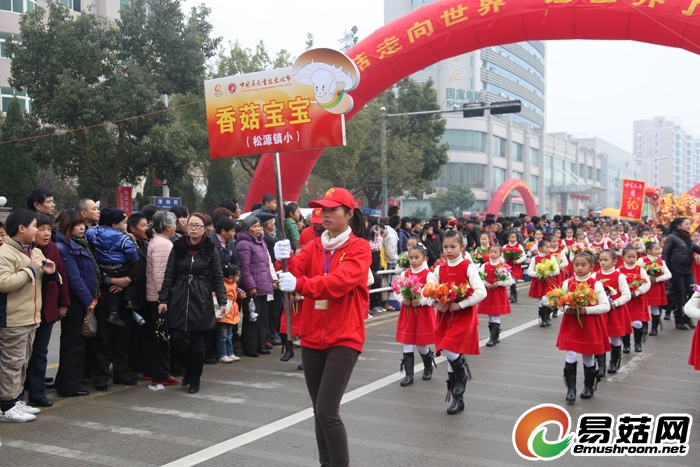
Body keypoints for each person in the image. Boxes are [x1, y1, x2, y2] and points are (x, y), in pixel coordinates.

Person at [274, 187, 370, 467]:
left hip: (344, 338)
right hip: (312, 337)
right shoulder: (314, 246)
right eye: (323, 209)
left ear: (349, 214)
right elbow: (294, 271)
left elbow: (339, 282)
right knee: (318, 411)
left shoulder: (359, 248)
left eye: (332, 209)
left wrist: (300, 284)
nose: (325, 214)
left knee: (327, 411)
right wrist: (283, 257)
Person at [158, 213, 227, 394]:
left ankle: (195, 377)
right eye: (191, 225)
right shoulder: (178, 246)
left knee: (197, 340)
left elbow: (218, 276)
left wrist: (222, 300)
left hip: (201, 295)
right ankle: (189, 368)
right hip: (179, 294)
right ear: (186, 227)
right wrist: (163, 299)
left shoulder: (210, 249)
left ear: (204, 229)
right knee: (176, 338)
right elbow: (169, 274)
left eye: (198, 225)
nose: (194, 228)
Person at [0, 209, 57, 422]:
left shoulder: (34, 251)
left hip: (30, 317)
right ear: (21, 228)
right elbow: (4, 283)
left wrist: (51, 273)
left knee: (23, 362)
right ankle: (6, 406)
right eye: (35, 226)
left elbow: (45, 278)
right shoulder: (5, 253)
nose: (38, 231)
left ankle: (15, 400)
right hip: (12, 319)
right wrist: (30, 270)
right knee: (11, 363)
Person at [425, 230, 487, 415]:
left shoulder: (468, 266)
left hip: (463, 316)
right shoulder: (439, 268)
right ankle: (457, 399)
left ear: (462, 247)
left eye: (453, 247)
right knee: (449, 353)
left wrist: (460, 304)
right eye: (445, 247)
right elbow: (426, 290)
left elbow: (481, 292)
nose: (449, 250)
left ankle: (461, 377)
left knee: (449, 347)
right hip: (445, 316)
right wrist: (435, 303)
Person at [24, 214, 69, 408]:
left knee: (40, 352)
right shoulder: (24, 252)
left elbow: (62, 277)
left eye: (48, 229)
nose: (46, 233)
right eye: (40, 228)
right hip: (26, 311)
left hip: (46, 309)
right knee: (21, 355)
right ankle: (17, 395)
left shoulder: (53, 249)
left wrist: (62, 304)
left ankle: (37, 393)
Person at [54, 210, 99, 398]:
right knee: (73, 344)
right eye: (77, 225)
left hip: (84, 299)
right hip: (75, 301)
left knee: (77, 343)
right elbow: (74, 279)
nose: (82, 228)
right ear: (67, 226)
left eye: (82, 224)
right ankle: (69, 385)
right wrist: (89, 302)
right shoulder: (63, 248)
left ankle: (68, 382)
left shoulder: (81, 243)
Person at [557, 252, 610, 403]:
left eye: (583, 265)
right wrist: (566, 309)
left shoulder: (596, 284)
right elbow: (560, 303)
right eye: (576, 265)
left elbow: (605, 306)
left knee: (588, 356)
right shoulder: (567, 283)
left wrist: (586, 310)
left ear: (591, 267)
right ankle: (571, 389)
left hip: (589, 324)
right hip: (571, 323)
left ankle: (589, 386)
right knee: (571, 353)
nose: (579, 268)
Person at [85, 206, 140, 327]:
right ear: (114, 225)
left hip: (105, 270)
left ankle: (113, 313)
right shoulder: (125, 238)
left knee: (111, 294)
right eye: (124, 223)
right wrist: (125, 279)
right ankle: (130, 300)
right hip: (120, 270)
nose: (126, 225)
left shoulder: (92, 233)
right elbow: (134, 259)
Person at [145, 211, 180, 386]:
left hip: (158, 297)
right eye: (174, 224)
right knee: (161, 336)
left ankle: (156, 371)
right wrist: (163, 299)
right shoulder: (162, 245)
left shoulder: (160, 241)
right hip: (160, 299)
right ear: (167, 227)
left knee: (158, 336)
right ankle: (160, 373)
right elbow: (161, 276)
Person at [395, 245, 437, 386]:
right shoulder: (404, 274)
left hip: (422, 313)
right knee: (407, 343)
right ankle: (409, 375)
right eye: (411, 258)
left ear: (425, 258)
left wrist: (419, 301)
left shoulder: (429, 275)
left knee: (421, 345)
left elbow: (431, 292)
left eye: (417, 257)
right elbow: (397, 290)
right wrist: (403, 299)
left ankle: (428, 366)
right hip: (408, 312)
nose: (413, 260)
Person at [236, 215, 276, 357]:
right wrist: (251, 286)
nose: (258, 229)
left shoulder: (262, 242)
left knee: (262, 318)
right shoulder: (243, 244)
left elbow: (266, 266)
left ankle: (260, 345)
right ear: (246, 229)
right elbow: (245, 269)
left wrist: (271, 281)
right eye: (254, 226)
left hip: (264, 286)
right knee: (252, 318)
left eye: (259, 226)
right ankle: (250, 347)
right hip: (252, 288)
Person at [593, 249, 631, 377]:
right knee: (600, 337)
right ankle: (601, 365)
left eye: (606, 260)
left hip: (615, 311)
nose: (602, 262)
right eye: (601, 260)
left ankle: (614, 362)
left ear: (614, 261)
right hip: (601, 312)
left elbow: (626, 294)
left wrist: (615, 303)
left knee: (615, 337)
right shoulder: (595, 276)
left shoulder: (619, 276)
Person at [663, 218, 700, 330]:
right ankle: (679, 319)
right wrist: (665, 270)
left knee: (694, 291)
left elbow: (697, 249)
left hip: (687, 270)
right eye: (686, 224)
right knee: (680, 295)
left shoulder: (689, 238)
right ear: (679, 226)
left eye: (689, 224)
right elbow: (665, 253)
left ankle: (687, 316)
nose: (689, 226)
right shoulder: (672, 237)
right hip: (676, 270)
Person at [478, 244, 513, 347]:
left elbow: (510, 281)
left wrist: (499, 283)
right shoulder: (484, 266)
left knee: (495, 314)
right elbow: (479, 279)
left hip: (498, 293)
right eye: (491, 252)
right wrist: (486, 284)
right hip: (488, 292)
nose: (493, 254)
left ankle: (492, 338)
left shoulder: (503, 266)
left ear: (500, 254)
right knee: (490, 315)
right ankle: (494, 335)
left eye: (495, 252)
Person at [639, 241, 671, 337]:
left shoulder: (660, 261)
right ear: (648, 251)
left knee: (655, 307)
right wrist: (648, 277)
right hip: (645, 286)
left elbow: (668, 274)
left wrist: (657, 279)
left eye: (659, 249)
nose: (658, 251)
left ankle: (654, 328)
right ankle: (644, 327)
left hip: (656, 287)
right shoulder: (641, 260)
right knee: (643, 306)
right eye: (656, 249)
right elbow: (637, 272)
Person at [527, 239, 560, 327]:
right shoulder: (534, 258)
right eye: (547, 247)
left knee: (546, 299)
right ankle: (542, 318)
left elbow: (557, 271)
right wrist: (538, 274)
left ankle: (547, 317)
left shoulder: (552, 258)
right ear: (540, 248)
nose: (549, 249)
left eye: (549, 247)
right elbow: (529, 271)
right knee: (541, 300)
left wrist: (547, 273)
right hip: (539, 282)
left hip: (549, 282)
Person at [216, 265, 241, 363]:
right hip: (225, 313)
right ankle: (222, 354)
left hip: (231, 312)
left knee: (229, 334)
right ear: (231, 277)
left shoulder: (233, 284)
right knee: (222, 335)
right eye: (237, 276)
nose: (238, 278)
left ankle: (229, 352)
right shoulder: (224, 285)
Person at [503, 231, 526, 303]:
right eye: (511, 237)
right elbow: (502, 256)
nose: (513, 239)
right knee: (509, 279)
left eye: (514, 237)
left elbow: (524, 256)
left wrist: (517, 261)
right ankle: (513, 294)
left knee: (513, 278)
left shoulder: (519, 246)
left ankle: (513, 294)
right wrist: (504, 261)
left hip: (515, 265)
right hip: (507, 265)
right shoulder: (505, 246)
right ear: (508, 238)